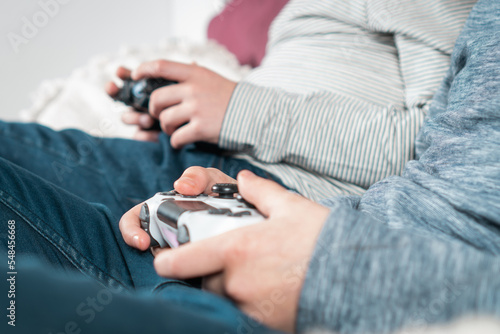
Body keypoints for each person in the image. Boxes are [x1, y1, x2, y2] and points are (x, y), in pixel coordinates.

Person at [1, 0, 499, 333]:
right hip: (204, 173)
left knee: (25, 296)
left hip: (291, 197)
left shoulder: (435, 10)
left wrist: (238, 109)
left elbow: (414, 147)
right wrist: (187, 114)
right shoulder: (298, 12)